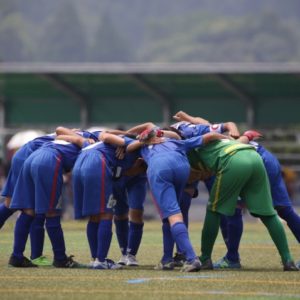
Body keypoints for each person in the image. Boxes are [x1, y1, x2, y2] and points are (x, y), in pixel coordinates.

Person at [126, 123, 228, 272]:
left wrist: (142, 140)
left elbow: (128, 149)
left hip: (160, 167)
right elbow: (210, 136)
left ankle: (192, 259)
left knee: (172, 215)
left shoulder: (142, 145)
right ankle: (166, 259)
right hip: (182, 168)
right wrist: (231, 141)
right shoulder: (176, 141)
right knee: (171, 214)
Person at [187, 135, 298, 271]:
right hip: (255, 157)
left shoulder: (188, 148)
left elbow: (194, 172)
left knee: (213, 209)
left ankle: (205, 258)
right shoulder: (211, 136)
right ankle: (288, 260)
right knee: (268, 214)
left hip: (234, 160)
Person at [8, 132, 95, 268]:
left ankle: (16, 256)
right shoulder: (90, 144)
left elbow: (60, 133)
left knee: (28, 211)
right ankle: (60, 258)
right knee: (52, 213)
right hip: (49, 161)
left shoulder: (69, 137)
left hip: (31, 159)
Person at [72, 131, 137, 269]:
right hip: (96, 163)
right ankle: (101, 261)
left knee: (94, 215)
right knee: (106, 213)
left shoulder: (94, 141)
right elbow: (107, 135)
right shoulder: (130, 144)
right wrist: (125, 143)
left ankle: (95, 258)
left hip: (78, 165)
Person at [0, 132, 56, 266]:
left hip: (24, 155)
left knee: (10, 203)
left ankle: (30, 256)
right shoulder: (88, 139)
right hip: (30, 158)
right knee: (31, 209)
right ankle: (22, 256)